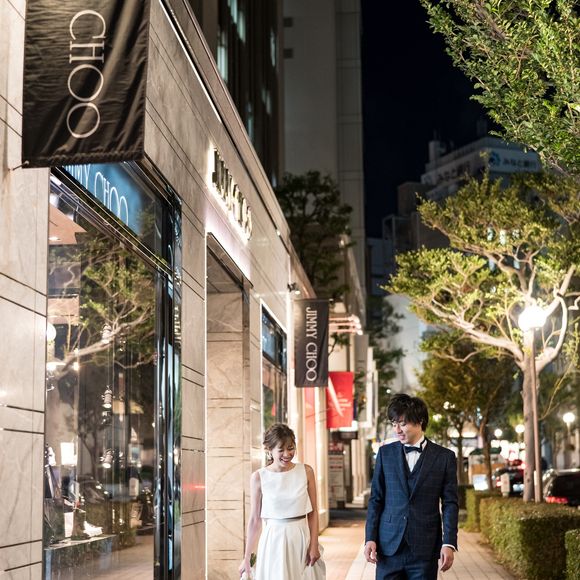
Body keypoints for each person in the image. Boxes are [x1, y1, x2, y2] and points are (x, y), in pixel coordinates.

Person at [364, 394, 458, 579]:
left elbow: (450, 503)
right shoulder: (385, 454)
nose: (397, 430)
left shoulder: (444, 457)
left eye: (402, 423)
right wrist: (370, 538)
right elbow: (376, 499)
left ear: (420, 421)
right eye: (394, 424)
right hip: (388, 546)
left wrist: (449, 543)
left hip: (425, 548)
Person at [239, 423, 325, 579]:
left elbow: (313, 513)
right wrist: (246, 558)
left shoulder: (306, 471)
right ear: (269, 450)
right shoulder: (259, 477)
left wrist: (314, 545)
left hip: (300, 538)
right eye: (281, 450)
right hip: (273, 540)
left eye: (290, 448)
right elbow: (254, 520)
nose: (287, 454)